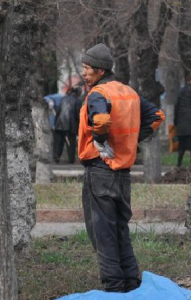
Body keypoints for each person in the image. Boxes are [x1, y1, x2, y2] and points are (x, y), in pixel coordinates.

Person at [78, 43, 165, 292]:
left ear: (100, 71)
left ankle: (114, 287)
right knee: (120, 229)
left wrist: (101, 141)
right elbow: (157, 116)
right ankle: (131, 283)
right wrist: (131, 141)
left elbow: (102, 119)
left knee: (103, 231)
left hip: (100, 169)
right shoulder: (129, 92)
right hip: (123, 173)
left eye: (87, 69)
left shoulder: (98, 94)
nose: (84, 73)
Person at [174, 74, 191, 167]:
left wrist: (176, 122)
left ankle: (179, 164)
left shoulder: (181, 90)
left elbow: (176, 107)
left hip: (181, 124)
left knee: (182, 146)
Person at [53, 86, 82, 164]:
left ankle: (56, 157)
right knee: (71, 143)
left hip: (59, 123)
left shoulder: (63, 99)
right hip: (71, 125)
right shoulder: (78, 101)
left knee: (59, 142)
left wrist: (55, 124)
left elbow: (58, 111)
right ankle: (71, 159)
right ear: (78, 93)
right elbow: (78, 115)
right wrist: (79, 126)